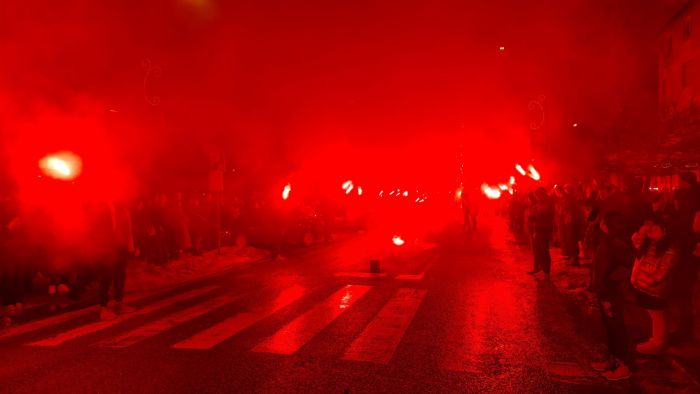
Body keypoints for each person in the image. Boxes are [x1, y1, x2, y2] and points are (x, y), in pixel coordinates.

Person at [590, 212, 635, 380]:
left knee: (617, 328)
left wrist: (608, 286)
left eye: (603, 221)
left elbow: (625, 268)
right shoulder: (607, 241)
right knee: (609, 328)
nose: (600, 223)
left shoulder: (618, 244)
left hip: (612, 293)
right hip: (604, 291)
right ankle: (613, 360)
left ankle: (624, 365)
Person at [630, 215, 678, 355]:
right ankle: (656, 339)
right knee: (653, 314)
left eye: (655, 228)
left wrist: (652, 281)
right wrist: (644, 230)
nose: (652, 231)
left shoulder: (670, 247)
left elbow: (665, 268)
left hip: (655, 288)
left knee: (657, 315)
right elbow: (635, 240)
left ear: (665, 230)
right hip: (645, 285)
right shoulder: (650, 242)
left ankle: (658, 343)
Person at [86, 200, 137, 321]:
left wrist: (130, 245)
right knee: (106, 277)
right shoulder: (99, 207)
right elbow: (93, 229)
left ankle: (118, 303)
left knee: (120, 275)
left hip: (120, 247)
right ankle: (103, 307)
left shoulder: (120, 207)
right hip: (106, 248)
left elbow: (126, 227)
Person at [529, 187, 555, 280]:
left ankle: (547, 273)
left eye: (537, 195)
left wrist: (537, 217)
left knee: (544, 252)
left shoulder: (548, 203)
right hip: (538, 229)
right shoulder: (540, 202)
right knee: (539, 251)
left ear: (542, 194)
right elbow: (538, 214)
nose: (536, 197)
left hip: (544, 230)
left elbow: (547, 217)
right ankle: (543, 271)